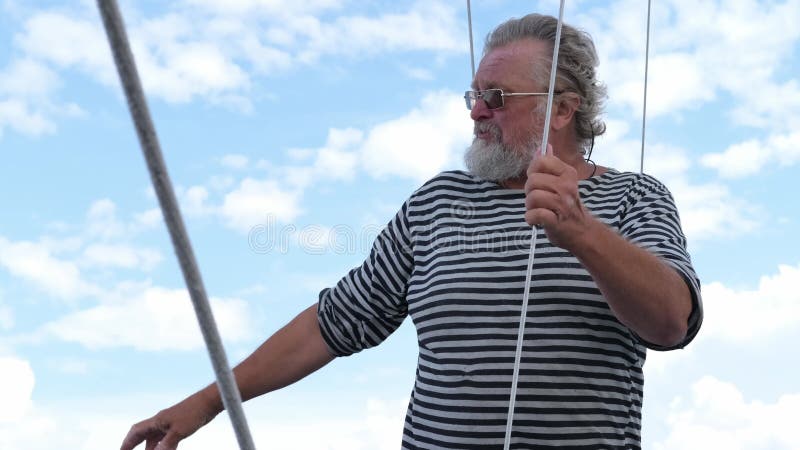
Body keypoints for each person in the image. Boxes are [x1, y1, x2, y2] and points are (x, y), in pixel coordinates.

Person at [121, 13, 702, 450]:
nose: (476, 112)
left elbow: (672, 322)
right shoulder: (436, 203)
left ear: (561, 108)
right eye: (475, 96)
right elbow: (334, 322)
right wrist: (206, 403)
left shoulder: (634, 199)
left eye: (495, 98)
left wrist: (581, 234)